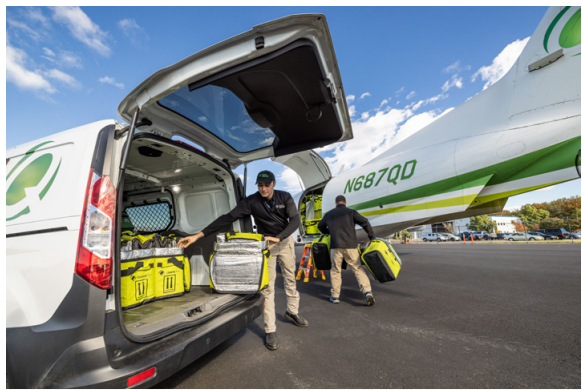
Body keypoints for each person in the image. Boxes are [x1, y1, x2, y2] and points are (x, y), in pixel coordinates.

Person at [178, 170, 307, 350]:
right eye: (260, 185)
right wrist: (197, 236)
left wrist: (279, 237)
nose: (263, 189)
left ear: (274, 184)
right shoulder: (251, 201)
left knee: (290, 279)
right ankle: (270, 329)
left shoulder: (284, 197)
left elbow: (295, 221)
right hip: (266, 245)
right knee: (268, 287)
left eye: (266, 185)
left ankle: (292, 312)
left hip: (285, 242)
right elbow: (227, 218)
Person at [317, 195, 376, 306]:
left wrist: (329, 232)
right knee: (357, 268)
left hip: (335, 247)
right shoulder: (351, 212)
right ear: (345, 202)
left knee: (335, 270)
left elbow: (320, 226)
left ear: (336, 203)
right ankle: (367, 292)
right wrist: (372, 237)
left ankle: (335, 296)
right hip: (351, 246)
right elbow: (365, 222)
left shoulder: (329, 214)